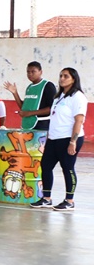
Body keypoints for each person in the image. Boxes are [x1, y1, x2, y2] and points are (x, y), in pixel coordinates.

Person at [32, 68, 86, 211]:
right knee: (46, 165)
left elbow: (78, 121)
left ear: (73, 79)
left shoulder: (78, 97)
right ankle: (46, 198)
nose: (62, 78)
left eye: (66, 76)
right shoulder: (59, 96)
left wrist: (72, 142)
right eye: (61, 75)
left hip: (68, 138)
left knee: (67, 168)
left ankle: (69, 200)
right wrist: (49, 137)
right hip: (54, 138)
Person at [3, 61, 56, 131]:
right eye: (28, 72)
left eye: (33, 71)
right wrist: (15, 93)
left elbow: (52, 108)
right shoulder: (29, 87)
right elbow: (23, 108)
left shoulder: (48, 85)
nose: (30, 74)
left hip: (41, 125)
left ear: (40, 72)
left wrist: (30, 113)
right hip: (27, 125)